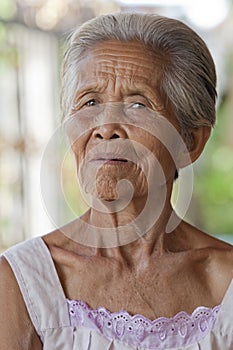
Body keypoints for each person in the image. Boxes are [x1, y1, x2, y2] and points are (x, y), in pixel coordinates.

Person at [0, 12, 233, 350]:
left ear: (189, 142)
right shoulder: (20, 283)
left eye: (138, 104)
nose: (106, 127)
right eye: (90, 102)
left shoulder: (226, 281)